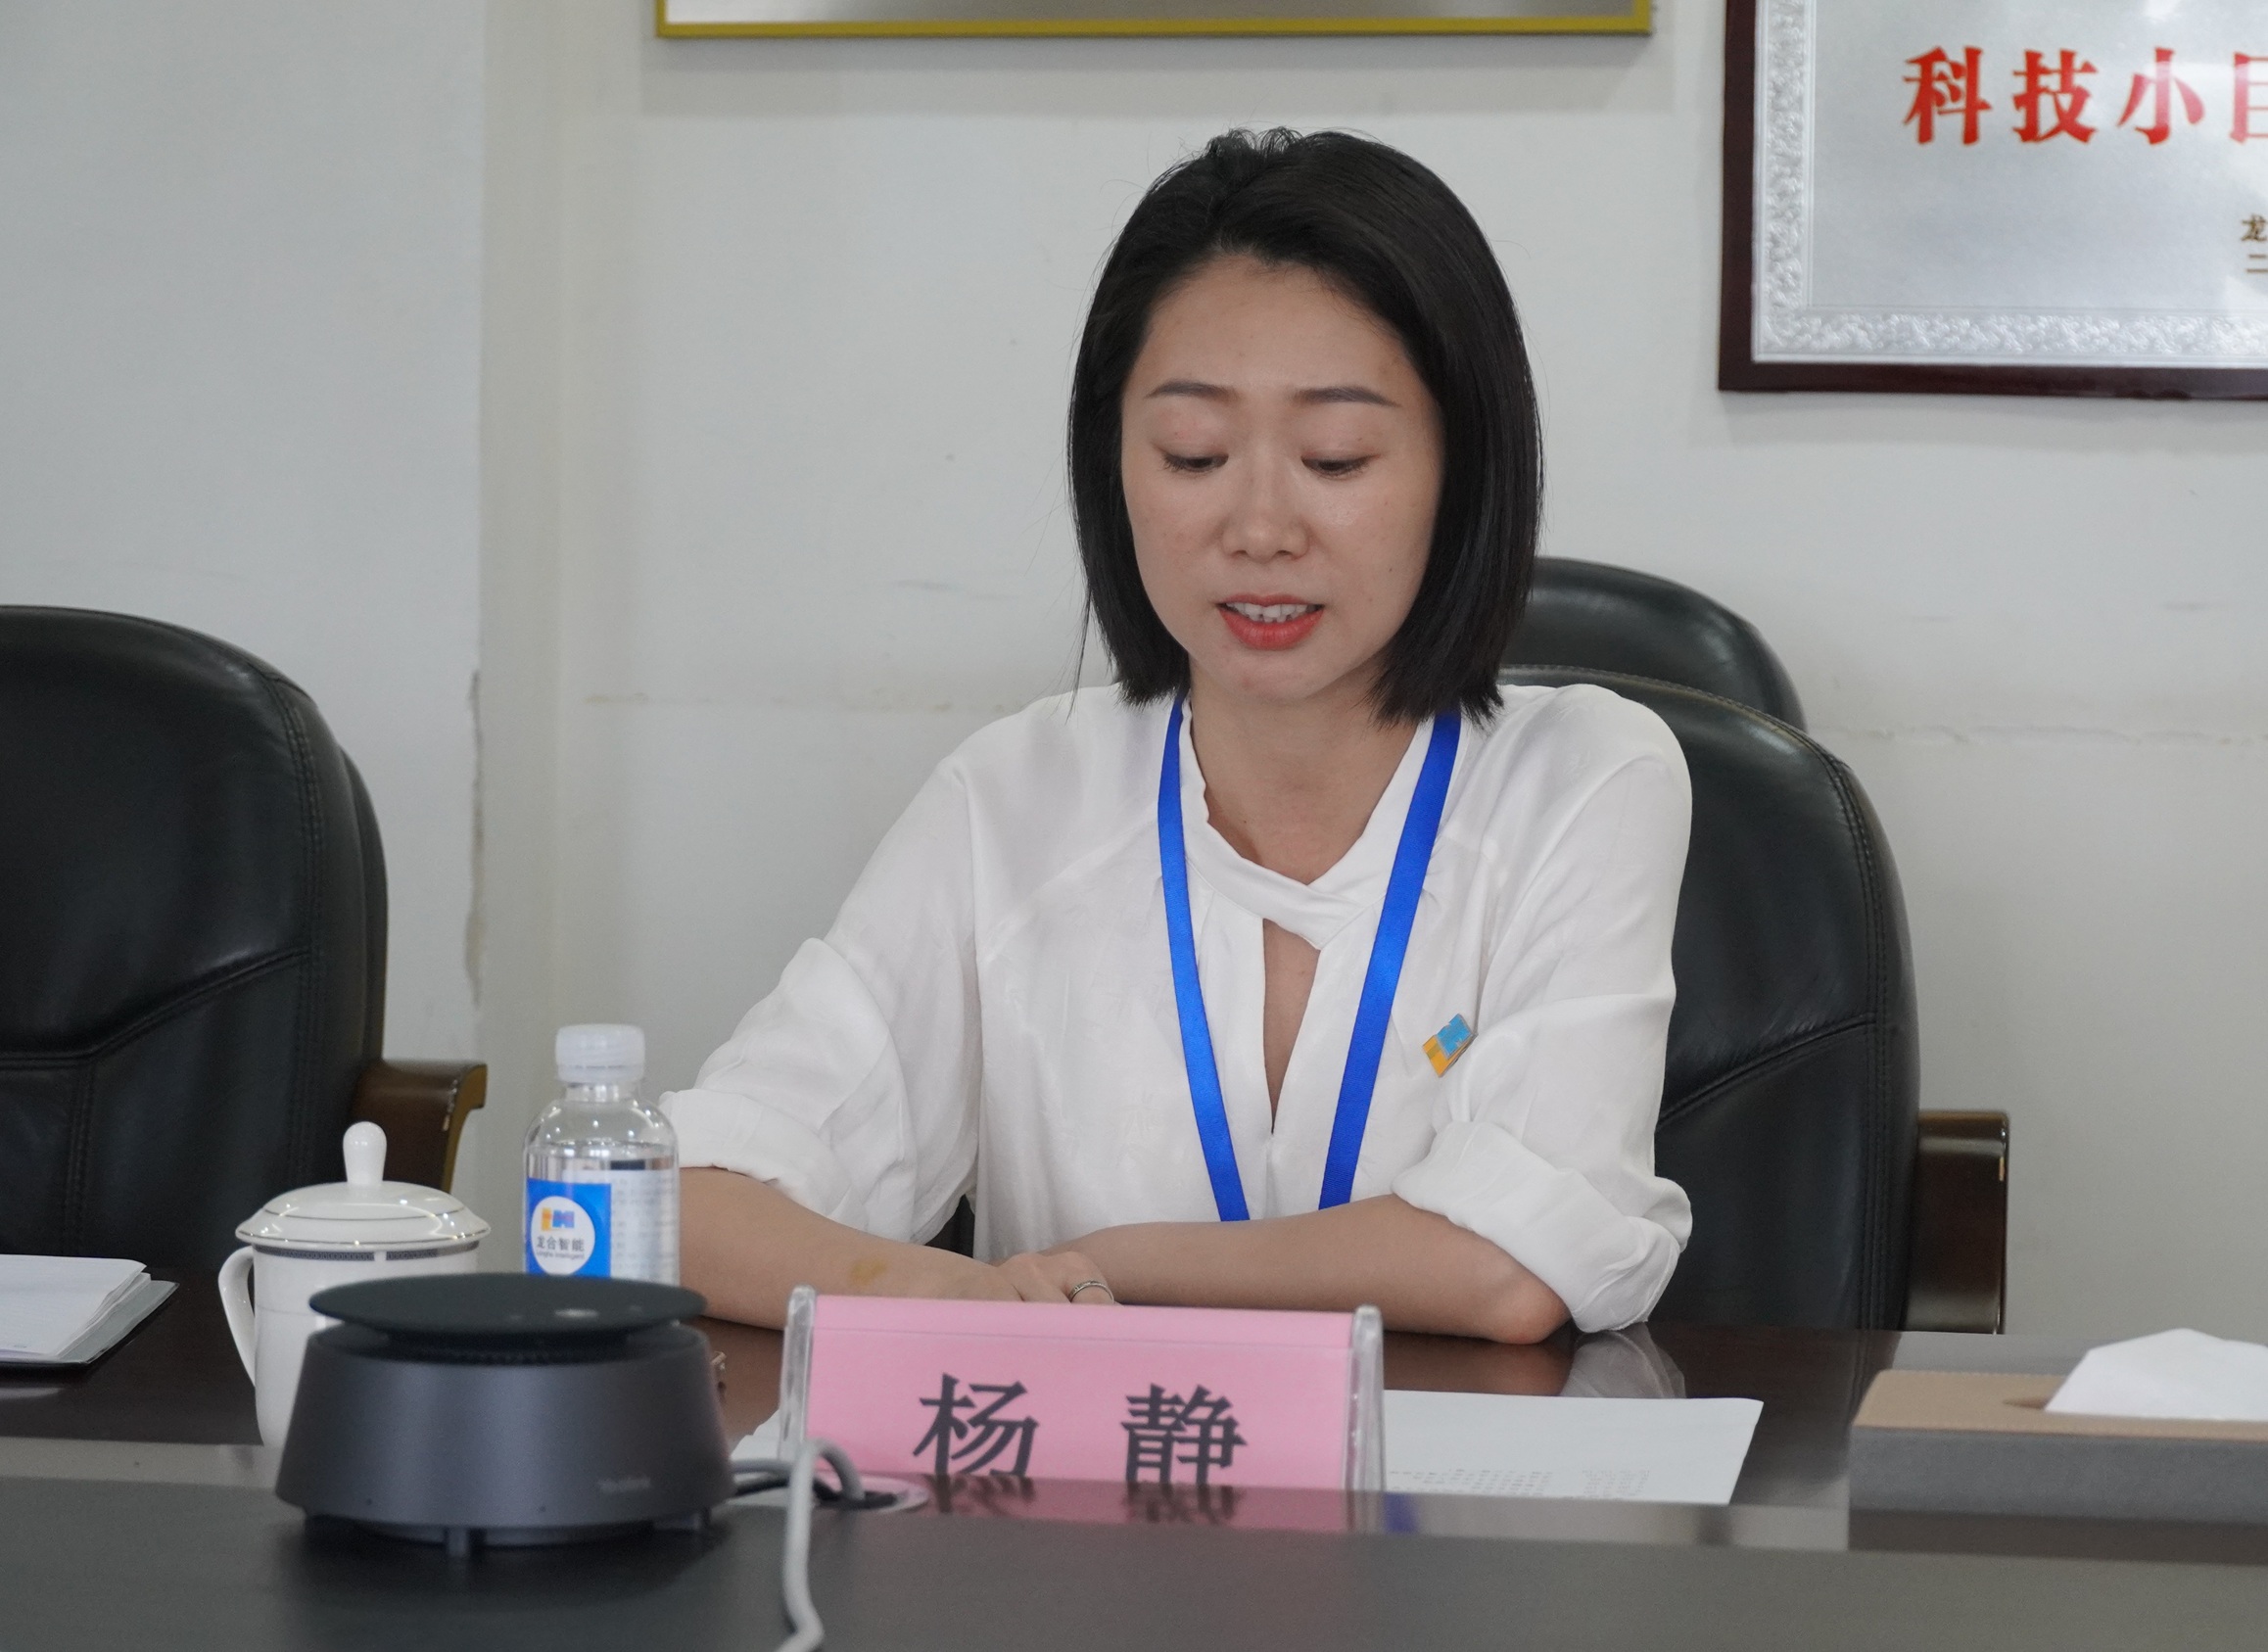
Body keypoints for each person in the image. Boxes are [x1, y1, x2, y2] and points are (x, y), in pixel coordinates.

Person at [665, 128, 1691, 1345]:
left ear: (1460, 472)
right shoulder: (1015, 795)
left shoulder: (1585, 778)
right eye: (1193, 454)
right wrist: (946, 1292)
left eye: (1335, 458)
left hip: (1451, 1472)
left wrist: (1102, 1269)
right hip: (1098, 1469)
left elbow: (1513, 1268)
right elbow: (681, 1202)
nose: (1259, 527)